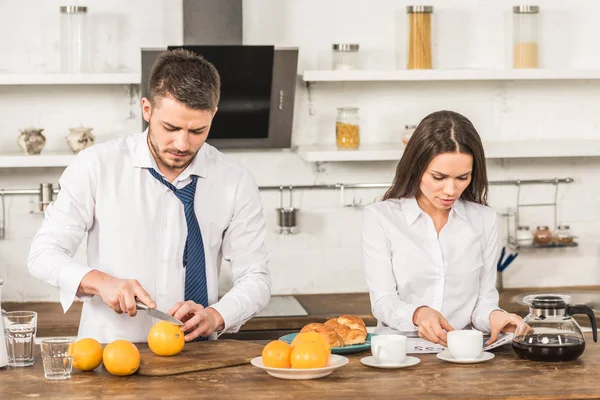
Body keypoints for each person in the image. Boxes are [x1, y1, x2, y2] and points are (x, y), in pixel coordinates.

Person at [28, 49, 271, 343]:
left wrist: (216, 316)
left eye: (197, 130)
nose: (182, 144)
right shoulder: (96, 166)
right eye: (170, 127)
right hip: (110, 354)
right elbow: (43, 254)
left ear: (214, 115)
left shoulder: (235, 182)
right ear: (147, 109)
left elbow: (256, 279)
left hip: (196, 359)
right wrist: (100, 282)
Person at [362, 110, 521, 347]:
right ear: (416, 168)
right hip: (397, 353)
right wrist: (418, 314)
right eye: (439, 177)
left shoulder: (483, 219)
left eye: (462, 177)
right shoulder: (381, 217)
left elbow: (483, 302)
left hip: (463, 355)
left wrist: (496, 317)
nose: (451, 190)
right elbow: (383, 301)